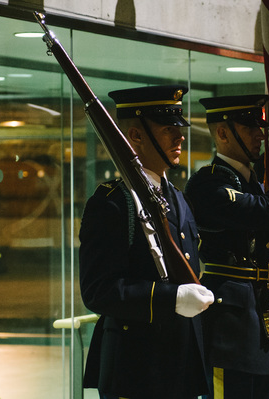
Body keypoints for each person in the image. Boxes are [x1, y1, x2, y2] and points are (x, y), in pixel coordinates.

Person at [79, 85, 215, 399]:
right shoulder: (114, 203)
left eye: (179, 129)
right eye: (168, 130)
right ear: (135, 136)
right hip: (137, 369)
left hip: (180, 363)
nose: (180, 137)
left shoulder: (177, 198)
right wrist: (172, 299)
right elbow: (98, 291)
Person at [184, 94, 269, 399]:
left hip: (261, 321)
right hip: (229, 329)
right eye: (248, 126)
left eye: (261, 125)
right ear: (223, 133)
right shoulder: (208, 184)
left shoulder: (253, 184)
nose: (260, 133)